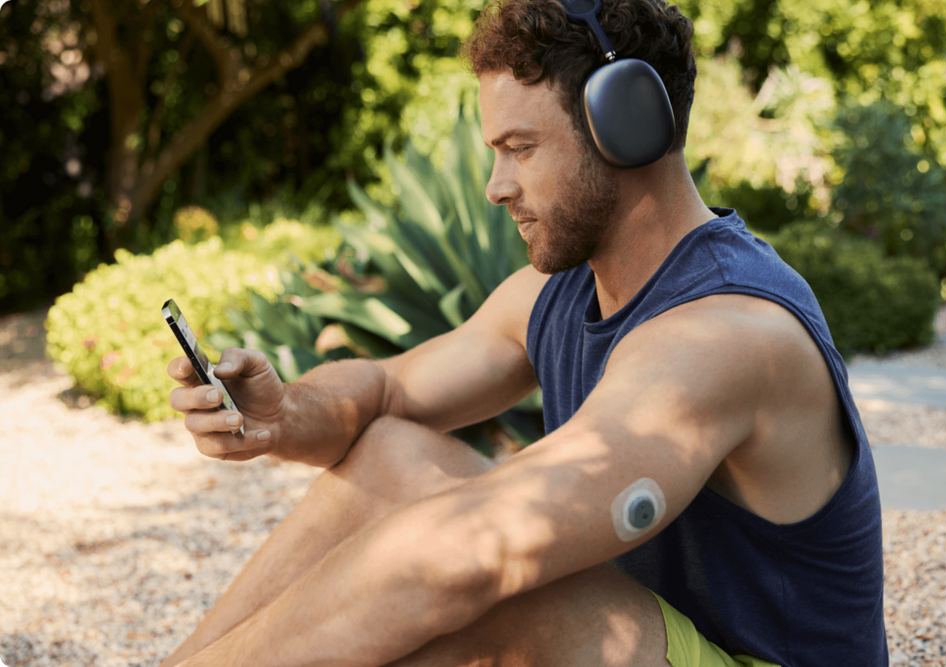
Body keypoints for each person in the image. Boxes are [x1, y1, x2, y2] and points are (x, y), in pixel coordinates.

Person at [161, 0, 888, 665]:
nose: (496, 185)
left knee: (497, 583)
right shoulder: (559, 293)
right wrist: (284, 417)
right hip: (667, 640)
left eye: (521, 146)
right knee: (392, 453)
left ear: (628, 127)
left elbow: (468, 550)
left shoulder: (726, 335)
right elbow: (387, 391)